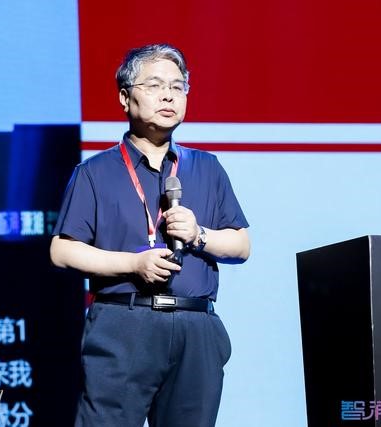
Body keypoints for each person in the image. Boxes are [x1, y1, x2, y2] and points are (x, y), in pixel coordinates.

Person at [50, 43, 250, 427]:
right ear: (125, 98)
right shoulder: (95, 172)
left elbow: (241, 245)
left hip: (195, 325)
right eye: (155, 85)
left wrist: (199, 234)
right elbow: (62, 251)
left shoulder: (207, 167)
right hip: (124, 323)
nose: (168, 96)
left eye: (177, 86)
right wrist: (133, 263)